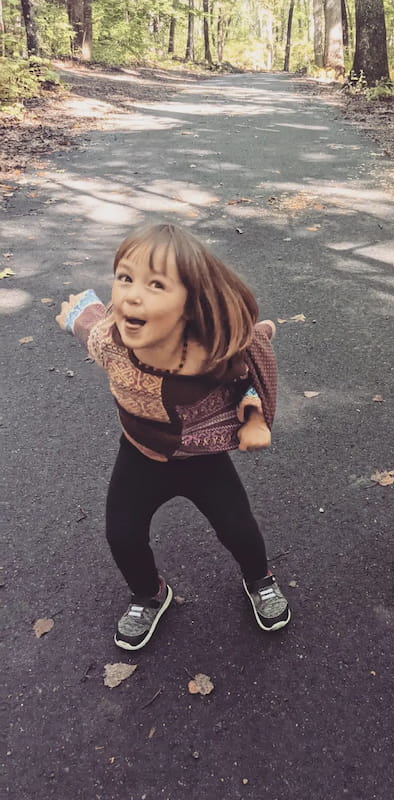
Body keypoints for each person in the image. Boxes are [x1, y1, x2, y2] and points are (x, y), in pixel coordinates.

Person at [56, 222, 290, 650]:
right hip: (140, 455)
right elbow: (90, 329)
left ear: (190, 304)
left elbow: (245, 383)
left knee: (238, 526)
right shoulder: (113, 341)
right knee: (122, 532)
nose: (131, 294)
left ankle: (260, 578)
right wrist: (75, 316)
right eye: (124, 277)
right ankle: (149, 594)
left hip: (204, 462)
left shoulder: (211, 355)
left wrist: (255, 420)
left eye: (156, 284)